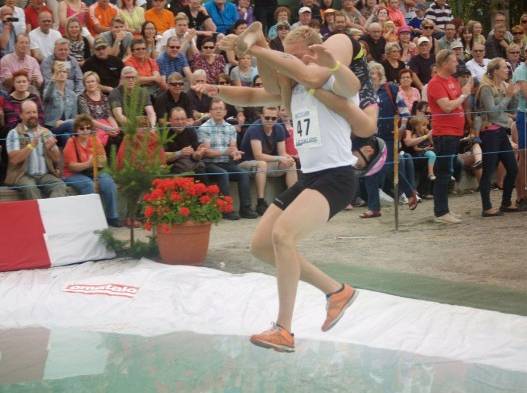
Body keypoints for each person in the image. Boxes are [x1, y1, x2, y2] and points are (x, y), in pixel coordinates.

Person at [196, 24, 382, 352]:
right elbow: (253, 95)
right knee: (261, 245)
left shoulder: (326, 79)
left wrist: (255, 49)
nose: (285, 62)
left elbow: (343, 81)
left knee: (283, 235)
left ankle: (284, 328)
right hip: (310, 176)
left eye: (291, 55)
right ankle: (336, 291)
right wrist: (216, 90)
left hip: (336, 176)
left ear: (312, 53)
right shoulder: (293, 87)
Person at [427, 49, 473, 224]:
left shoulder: (452, 80)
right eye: (454, 61)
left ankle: (444, 209)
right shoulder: (435, 83)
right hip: (444, 133)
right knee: (443, 172)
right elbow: (446, 107)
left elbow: (456, 103)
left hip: (454, 132)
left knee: (447, 171)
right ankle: (440, 212)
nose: (457, 64)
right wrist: (464, 94)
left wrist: (464, 92)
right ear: (445, 63)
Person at [197, 98, 258, 220]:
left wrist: (236, 153)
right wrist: (225, 151)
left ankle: (245, 209)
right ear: (210, 111)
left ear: (225, 111)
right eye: (215, 109)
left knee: (243, 174)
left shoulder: (230, 128)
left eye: (221, 109)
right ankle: (226, 209)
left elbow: (233, 147)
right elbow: (206, 152)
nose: (218, 111)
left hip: (226, 162)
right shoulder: (204, 128)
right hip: (209, 164)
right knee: (223, 174)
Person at [476, 58, 519, 216]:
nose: (508, 70)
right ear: (495, 71)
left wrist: (514, 95)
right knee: (488, 170)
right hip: (489, 132)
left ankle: (505, 203)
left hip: (501, 131)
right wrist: (507, 96)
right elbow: (492, 113)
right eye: (504, 68)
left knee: (513, 169)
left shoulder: (504, 85)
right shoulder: (486, 87)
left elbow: (512, 109)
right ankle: (486, 207)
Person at [63, 114, 121, 227]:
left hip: (93, 171)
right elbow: (71, 166)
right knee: (88, 185)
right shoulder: (71, 142)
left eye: (88, 128)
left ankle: (112, 217)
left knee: (108, 183)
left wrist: (97, 162)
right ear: (76, 129)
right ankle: (91, 219)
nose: (85, 130)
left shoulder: (94, 139)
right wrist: (88, 164)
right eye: (82, 128)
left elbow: (103, 159)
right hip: (74, 174)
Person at [239, 106, 298, 216]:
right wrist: (280, 158)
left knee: (291, 164)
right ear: (261, 116)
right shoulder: (255, 128)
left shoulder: (279, 128)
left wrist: (287, 158)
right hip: (247, 163)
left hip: (268, 163)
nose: (270, 120)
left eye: (273, 118)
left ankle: (292, 199)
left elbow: (282, 153)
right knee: (262, 164)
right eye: (267, 117)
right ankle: (260, 202)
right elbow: (258, 156)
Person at [5, 100, 66, 200]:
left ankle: (50, 213)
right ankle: (38, 213)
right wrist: (31, 145)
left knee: (60, 185)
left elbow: (57, 159)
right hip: (22, 175)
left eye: (34, 112)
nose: (32, 115)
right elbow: (14, 159)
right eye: (28, 113)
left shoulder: (46, 132)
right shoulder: (14, 133)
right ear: (21, 115)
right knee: (30, 188)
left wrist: (50, 148)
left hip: (44, 175)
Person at [78, 70, 120, 149]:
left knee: (119, 136)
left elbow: (109, 115)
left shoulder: (104, 97)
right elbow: (88, 119)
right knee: (110, 141)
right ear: (84, 84)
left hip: (107, 125)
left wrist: (115, 128)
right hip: (92, 126)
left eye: (93, 81)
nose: (91, 84)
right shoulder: (81, 98)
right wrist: (107, 128)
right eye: (88, 82)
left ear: (97, 83)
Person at [42, 61, 78, 146]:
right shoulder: (49, 90)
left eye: (64, 72)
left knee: (66, 136)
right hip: (51, 128)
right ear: (54, 74)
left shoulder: (72, 94)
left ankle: (72, 158)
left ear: (67, 75)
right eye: (59, 72)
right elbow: (46, 96)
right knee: (71, 126)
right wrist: (53, 78)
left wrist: (64, 123)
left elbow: (74, 117)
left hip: (67, 127)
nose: (62, 74)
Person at [164, 106, 207, 174]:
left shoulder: (191, 130)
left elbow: (195, 157)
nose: (180, 122)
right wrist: (180, 153)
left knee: (201, 171)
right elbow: (161, 156)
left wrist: (199, 153)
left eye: (183, 119)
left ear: (186, 119)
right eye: (177, 119)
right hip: (172, 168)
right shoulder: (164, 132)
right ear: (170, 120)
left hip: (190, 165)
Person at [512, 53, 527, 210]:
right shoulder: (521, 71)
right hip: (524, 115)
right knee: (524, 156)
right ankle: (521, 196)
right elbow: (525, 93)